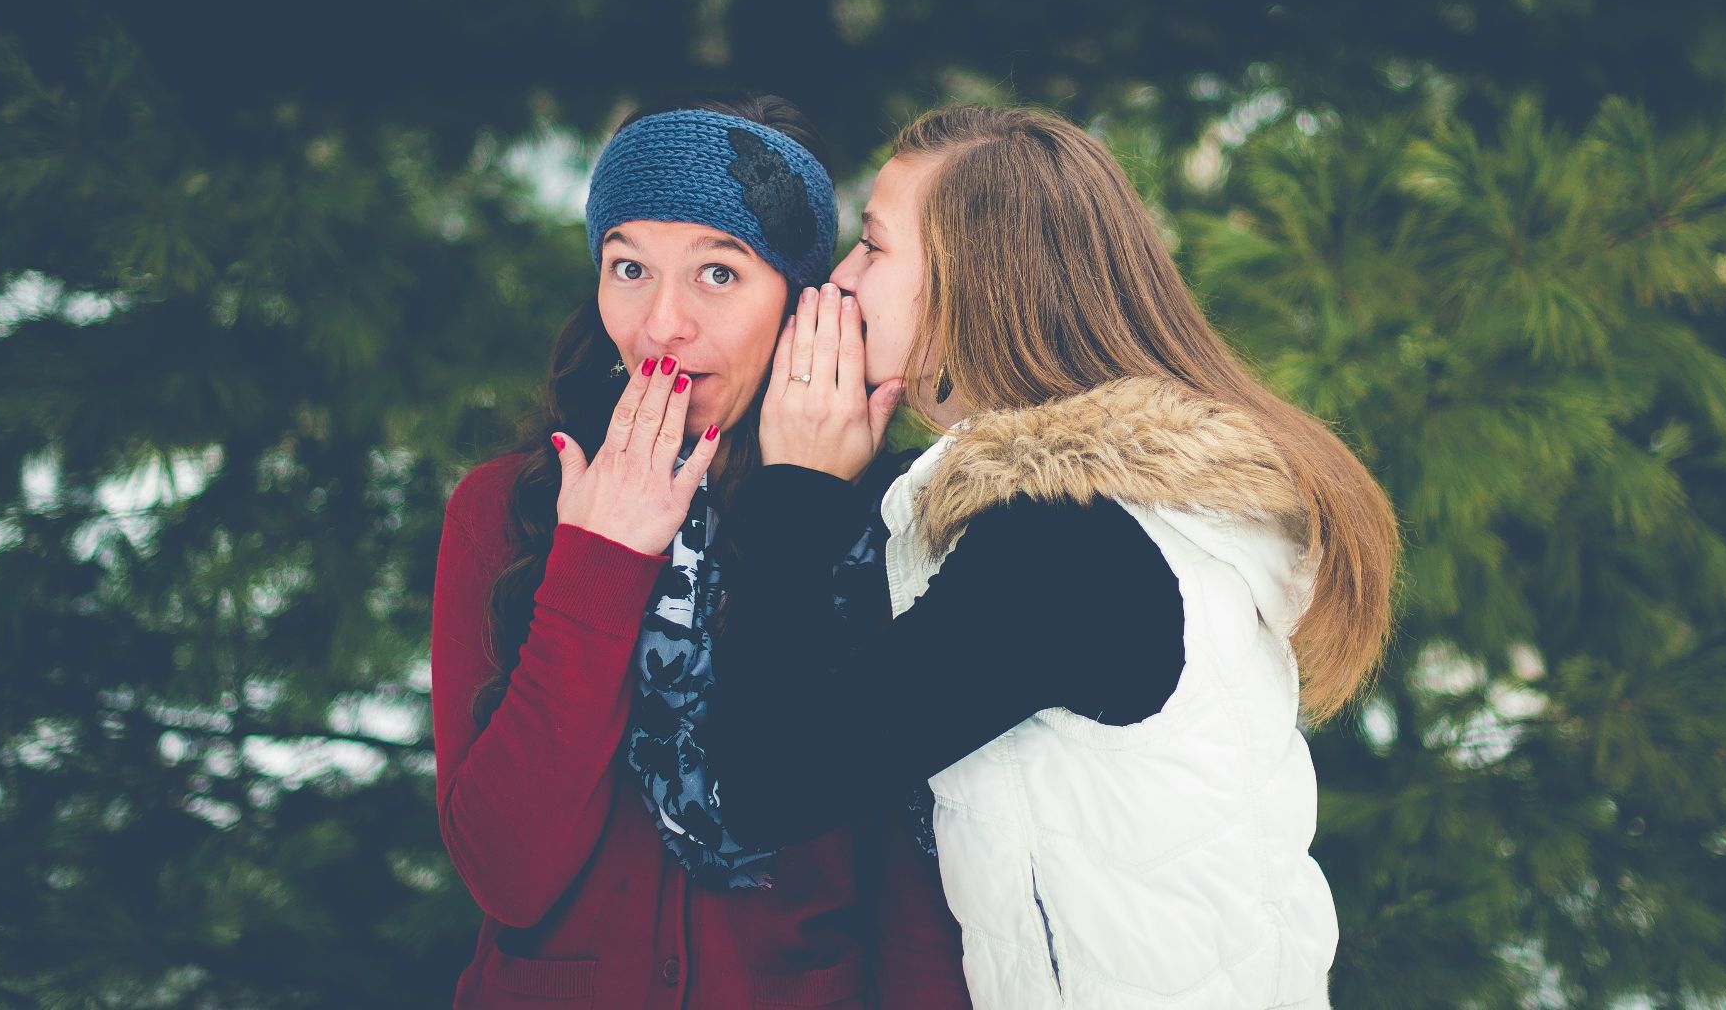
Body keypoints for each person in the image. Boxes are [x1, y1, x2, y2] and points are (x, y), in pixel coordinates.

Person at [695, 103, 1402, 1008]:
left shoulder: (1066, 549)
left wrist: (795, 494)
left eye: (872, 247)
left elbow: (769, 786)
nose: (840, 279)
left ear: (971, 284)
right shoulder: (1135, 514)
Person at [429, 93, 968, 1008]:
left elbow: (916, 888)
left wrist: (806, 508)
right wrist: (598, 563)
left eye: (719, 272)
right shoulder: (508, 509)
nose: (662, 324)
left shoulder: (889, 517)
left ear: (799, 301)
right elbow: (506, 874)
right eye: (629, 267)